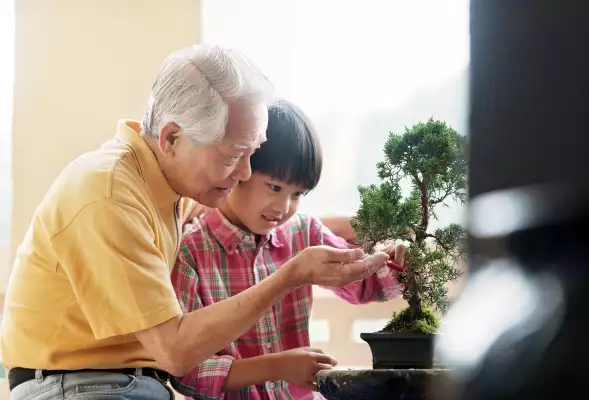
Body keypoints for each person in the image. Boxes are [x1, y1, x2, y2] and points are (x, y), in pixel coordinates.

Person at [0, 45, 390, 400]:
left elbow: (254, 224)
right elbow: (175, 351)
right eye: (234, 155)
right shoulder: (110, 194)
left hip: (134, 384)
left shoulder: (169, 187)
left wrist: (349, 225)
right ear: (172, 138)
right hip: (78, 386)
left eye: (252, 153)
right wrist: (290, 275)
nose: (244, 172)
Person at [170, 99, 406, 400]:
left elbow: (365, 285)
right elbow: (185, 373)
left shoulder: (302, 233)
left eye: (297, 194)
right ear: (238, 169)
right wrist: (276, 367)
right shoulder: (192, 251)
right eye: (274, 187)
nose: (283, 208)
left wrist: (395, 256)